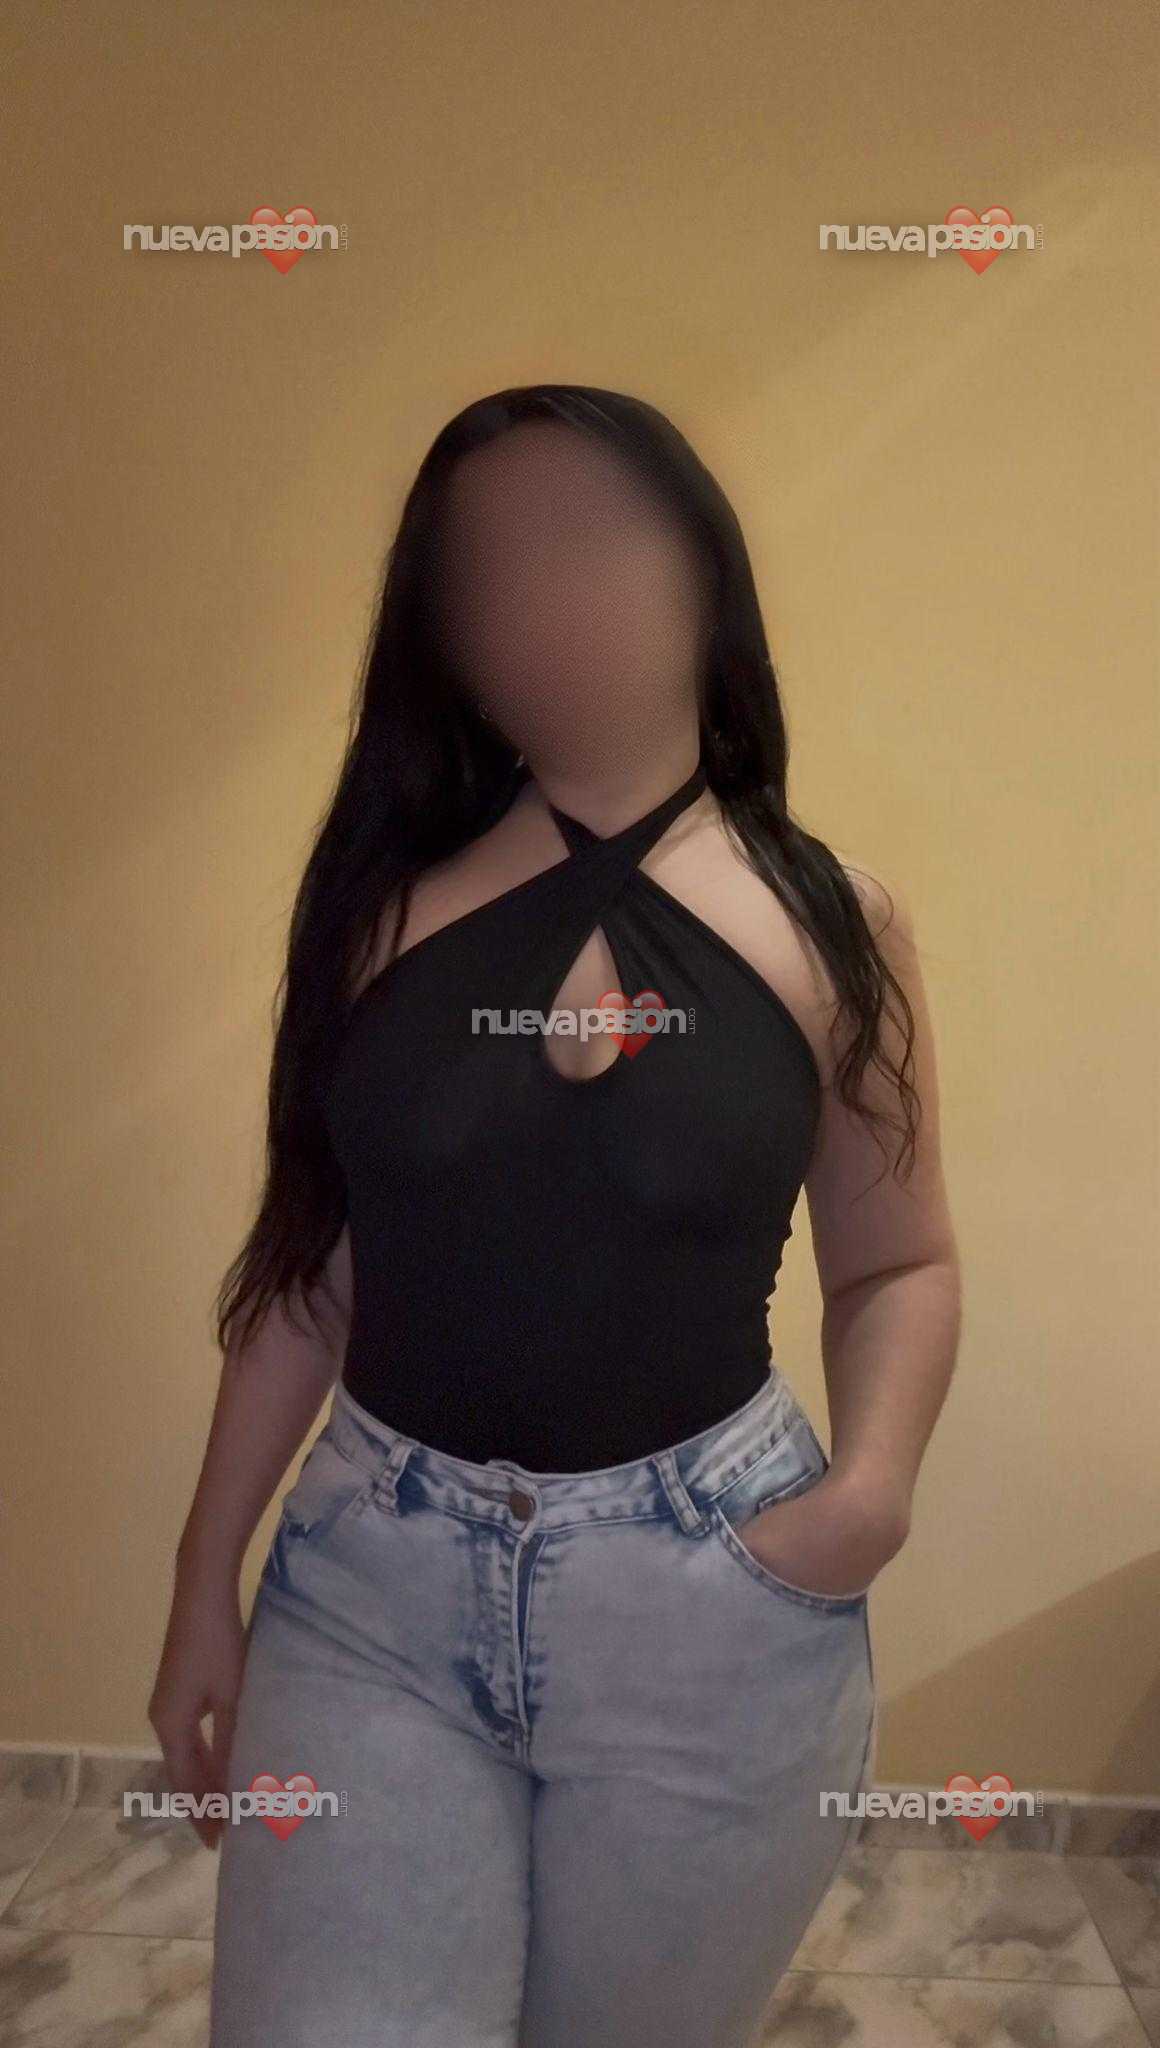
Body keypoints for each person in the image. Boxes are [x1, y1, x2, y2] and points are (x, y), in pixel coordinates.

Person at [150, 385, 961, 2048]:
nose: (542, 592)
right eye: (487, 566)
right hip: (370, 1603)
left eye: (593, 534)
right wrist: (200, 1572)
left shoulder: (839, 924)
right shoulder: (373, 910)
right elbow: (309, 1274)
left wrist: (868, 1498)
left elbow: (901, 1260)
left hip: (714, 1612)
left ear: (704, 568)